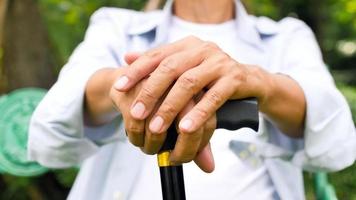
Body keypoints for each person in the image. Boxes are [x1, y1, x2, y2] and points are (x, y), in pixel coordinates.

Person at [28, 0, 356, 199]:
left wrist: (261, 84)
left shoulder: (286, 37)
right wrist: (126, 84)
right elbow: (47, 137)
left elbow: (337, 141)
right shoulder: (116, 27)